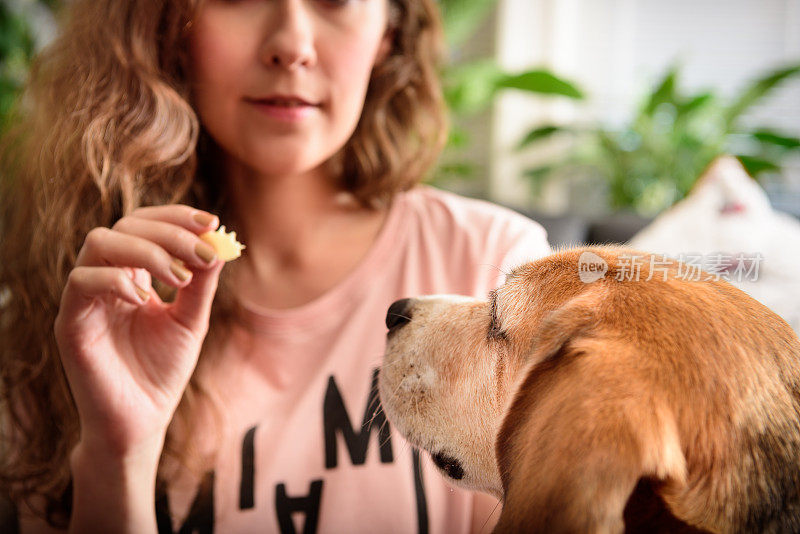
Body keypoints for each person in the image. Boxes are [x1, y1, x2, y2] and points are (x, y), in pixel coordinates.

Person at [0, 0, 550, 532]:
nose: (291, 45)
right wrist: (116, 456)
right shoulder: (76, 306)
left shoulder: (497, 273)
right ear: (169, 22)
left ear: (388, 31)